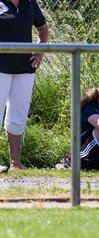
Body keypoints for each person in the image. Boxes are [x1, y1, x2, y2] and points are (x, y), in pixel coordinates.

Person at [0, 0, 48, 170]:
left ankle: (15, 163)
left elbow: (43, 28)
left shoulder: (30, 3)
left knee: (18, 116)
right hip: (1, 68)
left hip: (25, 68)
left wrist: (40, 52)